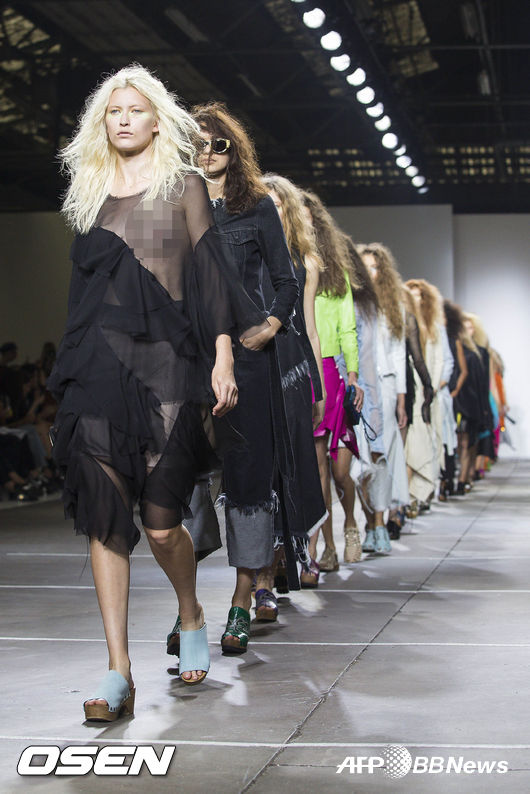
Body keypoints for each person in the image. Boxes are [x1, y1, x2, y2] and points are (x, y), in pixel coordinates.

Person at [47, 65, 268, 720]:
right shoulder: (89, 193)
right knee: (103, 513)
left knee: (162, 522)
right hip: (98, 366)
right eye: (113, 110)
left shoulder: (185, 186)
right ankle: (118, 669)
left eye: (135, 109)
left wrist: (223, 356)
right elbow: (85, 292)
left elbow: (210, 275)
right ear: (102, 122)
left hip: (171, 365)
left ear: (156, 121)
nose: (123, 119)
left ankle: (190, 609)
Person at [166, 102, 300, 655]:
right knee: (185, 484)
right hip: (189, 357)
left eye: (218, 144)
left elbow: (286, 282)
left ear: (233, 150)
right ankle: (188, 609)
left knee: (247, 480)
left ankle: (242, 602)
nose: (208, 153)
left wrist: (268, 328)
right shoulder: (174, 203)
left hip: (246, 359)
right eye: (198, 144)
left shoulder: (257, 206)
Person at [302, 191, 363, 578]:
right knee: (315, 465)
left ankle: (349, 524)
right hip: (298, 367)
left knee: (336, 471)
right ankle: (320, 546)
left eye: (308, 217)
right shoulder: (284, 262)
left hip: (328, 371)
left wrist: (353, 374)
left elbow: (348, 328)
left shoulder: (333, 273)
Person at [357, 243, 409, 554]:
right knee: (360, 458)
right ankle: (369, 521)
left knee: (380, 455)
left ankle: (378, 522)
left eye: (375, 267)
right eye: (365, 266)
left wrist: (402, 400)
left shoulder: (393, 305)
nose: (370, 272)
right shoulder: (353, 301)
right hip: (360, 387)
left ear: (383, 272)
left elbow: (399, 354)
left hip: (386, 385)